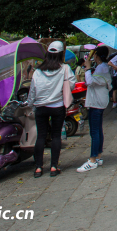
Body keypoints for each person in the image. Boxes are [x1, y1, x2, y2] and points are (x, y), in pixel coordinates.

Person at [27, 40, 75, 178]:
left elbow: (32, 91)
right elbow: (71, 85)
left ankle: (38, 168)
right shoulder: (64, 68)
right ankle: (54, 167)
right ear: (61, 54)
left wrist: (31, 105)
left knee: (40, 136)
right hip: (57, 107)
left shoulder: (38, 71)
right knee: (55, 136)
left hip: (40, 107)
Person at [77, 46, 112, 172]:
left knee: (94, 131)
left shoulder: (101, 68)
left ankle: (92, 160)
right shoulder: (102, 67)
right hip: (99, 101)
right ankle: (98, 156)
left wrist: (87, 68)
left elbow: (90, 82)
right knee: (98, 129)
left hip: (97, 102)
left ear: (97, 56)